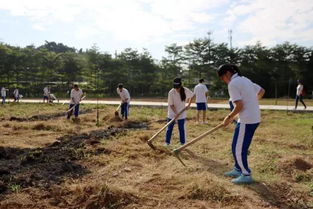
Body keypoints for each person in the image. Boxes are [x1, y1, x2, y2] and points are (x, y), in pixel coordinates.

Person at [217, 64, 265, 184]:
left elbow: (239, 105)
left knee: (238, 149)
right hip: (253, 118)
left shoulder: (233, 84)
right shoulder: (245, 80)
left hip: (247, 120)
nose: (223, 81)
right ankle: (238, 169)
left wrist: (228, 117)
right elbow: (261, 91)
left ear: (227, 74)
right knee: (236, 145)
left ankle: (246, 174)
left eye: (222, 78)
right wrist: (252, 103)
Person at [165, 78, 194, 146]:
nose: (177, 89)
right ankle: (167, 142)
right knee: (169, 129)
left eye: (178, 87)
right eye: (175, 87)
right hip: (172, 113)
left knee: (181, 129)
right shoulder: (171, 92)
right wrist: (176, 113)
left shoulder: (186, 90)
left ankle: (182, 143)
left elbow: (192, 95)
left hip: (182, 113)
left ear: (181, 86)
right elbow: (171, 105)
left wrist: (189, 105)